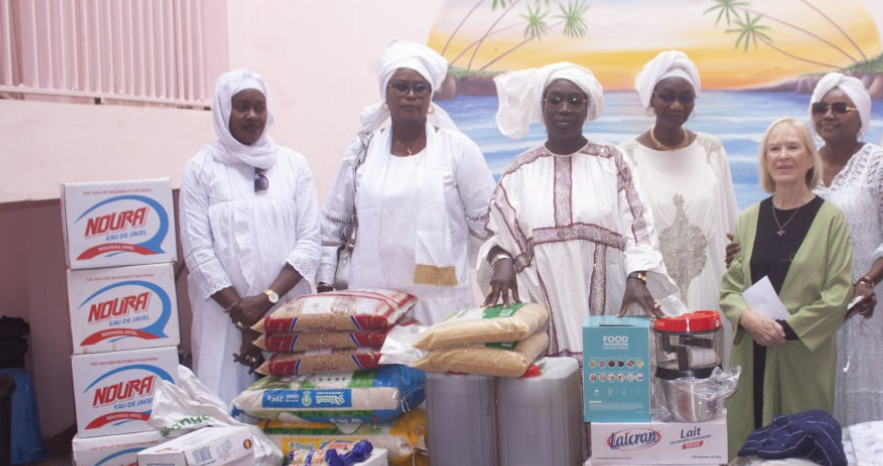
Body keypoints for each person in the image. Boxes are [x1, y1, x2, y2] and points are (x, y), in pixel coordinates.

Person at [481, 61, 681, 360]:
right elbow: (497, 236)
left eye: (575, 101)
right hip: (545, 312)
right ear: (542, 105)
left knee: (612, 397)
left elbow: (639, 229)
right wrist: (501, 261)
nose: (565, 108)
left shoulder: (612, 161)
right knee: (555, 398)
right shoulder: (519, 172)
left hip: (612, 305)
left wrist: (637, 277)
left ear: (587, 108)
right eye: (556, 99)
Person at [317, 40, 495, 324]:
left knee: (443, 367)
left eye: (420, 88)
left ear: (430, 95)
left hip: (442, 305)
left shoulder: (457, 149)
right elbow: (331, 227)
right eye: (400, 87)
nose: (410, 95)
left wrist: (495, 276)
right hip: (371, 303)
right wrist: (325, 286)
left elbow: (487, 225)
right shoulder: (361, 152)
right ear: (385, 93)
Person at [180, 69, 321, 404]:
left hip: (286, 308)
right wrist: (244, 319)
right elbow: (198, 251)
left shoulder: (293, 166)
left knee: (292, 406)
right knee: (227, 405)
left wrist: (268, 299)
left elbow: (310, 240)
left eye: (259, 106)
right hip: (224, 318)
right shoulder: (201, 169)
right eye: (241, 106)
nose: (252, 115)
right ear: (222, 111)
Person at [720, 117, 853, 454]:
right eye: (774, 148)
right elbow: (731, 288)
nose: (783, 155)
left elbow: (838, 293)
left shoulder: (831, 220)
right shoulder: (750, 219)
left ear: (810, 158)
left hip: (802, 356)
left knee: (803, 450)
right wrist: (749, 319)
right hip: (753, 352)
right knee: (750, 448)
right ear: (766, 160)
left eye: (793, 147)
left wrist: (785, 329)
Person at [808, 73, 883, 426]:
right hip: (814, 304)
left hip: (865, 305)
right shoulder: (803, 165)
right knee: (815, 395)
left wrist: (867, 281)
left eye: (841, 107)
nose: (829, 115)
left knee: (863, 391)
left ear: (861, 116)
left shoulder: (880, 165)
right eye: (820, 107)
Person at [619, 51, 737, 321]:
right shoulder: (627, 157)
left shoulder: (712, 150)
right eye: (667, 96)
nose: (676, 106)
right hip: (656, 289)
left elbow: (731, 224)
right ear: (651, 98)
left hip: (711, 283)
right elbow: (626, 234)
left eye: (685, 97)